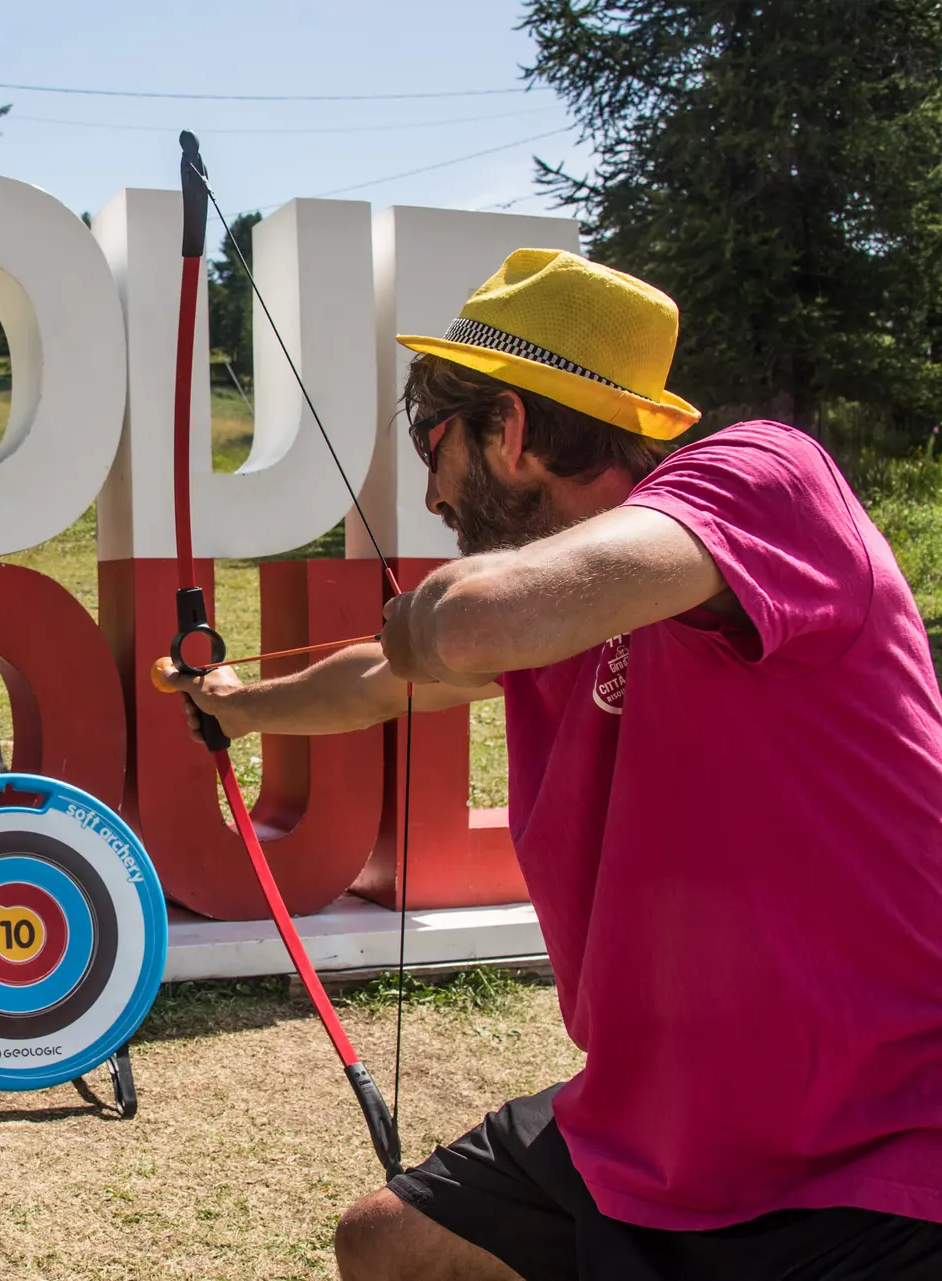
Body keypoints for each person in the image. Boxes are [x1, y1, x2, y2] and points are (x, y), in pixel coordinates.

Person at [159, 249, 942, 1280]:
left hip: (879, 1146)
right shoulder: (571, 600)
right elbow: (375, 678)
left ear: (510, 428)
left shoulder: (764, 482)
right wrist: (241, 708)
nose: (432, 493)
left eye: (432, 443)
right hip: (660, 1132)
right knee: (388, 1243)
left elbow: (465, 628)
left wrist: (436, 618)